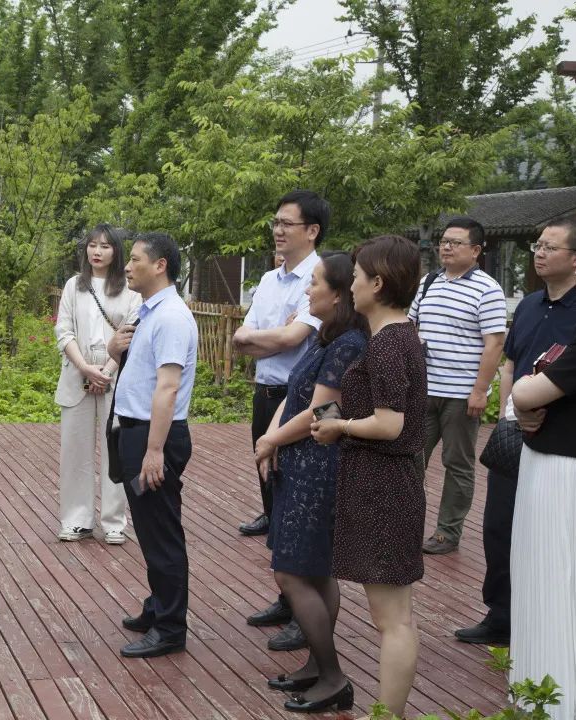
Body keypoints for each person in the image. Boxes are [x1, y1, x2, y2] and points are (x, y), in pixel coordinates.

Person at [455, 215, 576, 646]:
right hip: (517, 429)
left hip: (561, 439)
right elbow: (511, 363)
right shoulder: (529, 304)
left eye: (552, 247)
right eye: (538, 246)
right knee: (499, 524)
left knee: (549, 533)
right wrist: (511, 411)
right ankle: (501, 614)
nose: (541, 253)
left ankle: (542, 620)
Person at [312, 235, 427, 718]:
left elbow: (390, 422)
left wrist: (338, 425)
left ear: (377, 284)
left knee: (392, 619)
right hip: (392, 483)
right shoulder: (404, 334)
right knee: (394, 615)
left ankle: (389, 713)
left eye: (357, 276)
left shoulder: (387, 343)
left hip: (384, 487)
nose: (351, 285)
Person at [254, 252, 367, 711]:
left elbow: (326, 410)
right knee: (315, 569)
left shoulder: (349, 345)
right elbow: (295, 392)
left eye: (315, 283)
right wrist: (274, 437)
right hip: (300, 460)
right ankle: (318, 667)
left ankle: (334, 675)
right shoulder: (327, 338)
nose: (306, 290)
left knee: (293, 570)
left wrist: (270, 440)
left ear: (338, 294)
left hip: (319, 469)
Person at [232, 190, 328, 652]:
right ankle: (286, 595)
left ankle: (305, 608)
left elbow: (294, 338)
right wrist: (270, 339)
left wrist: (266, 338)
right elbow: (241, 338)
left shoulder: (323, 278)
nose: (277, 229)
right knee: (273, 498)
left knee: (300, 506)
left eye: (287, 223)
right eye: (275, 221)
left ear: (311, 231)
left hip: (301, 400)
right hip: (264, 393)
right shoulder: (269, 279)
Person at [508, 227, 576, 720]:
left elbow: (528, 392)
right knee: (544, 574)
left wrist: (523, 397)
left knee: (561, 580)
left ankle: (562, 697)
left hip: (566, 469)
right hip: (551, 461)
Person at [107, 232, 198, 659]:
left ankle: (170, 627)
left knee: (162, 534)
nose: (127, 266)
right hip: (136, 431)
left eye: (137, 259)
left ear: (160, 265)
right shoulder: (146, 312)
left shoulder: (172, 317)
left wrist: (155, 449)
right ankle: (158, 604)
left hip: (154, 434)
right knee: (149, 529)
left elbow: (167, 386)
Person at [409, 217, 506, 555]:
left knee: (457, 464)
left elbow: (494, 343)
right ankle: (404, 524)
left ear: (476, 250)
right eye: (444, 241)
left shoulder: (488, 289)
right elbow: (411, 325)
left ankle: (447, 533)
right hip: (424, 390)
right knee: (410, 458)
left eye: (456, 242)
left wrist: (480, 391)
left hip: (461, 395)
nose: (446, 247)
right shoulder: (428, 282)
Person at [54, 224, 141, 544]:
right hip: (77, 373)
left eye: (105, 246)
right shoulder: (74, 286)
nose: (97, 251)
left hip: (116, 377)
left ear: (116, 251)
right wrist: (85, 369)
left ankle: (115, 521)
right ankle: (77, 519)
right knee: (74, 451)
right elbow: (64, 332)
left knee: (115, 450)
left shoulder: (131, 291)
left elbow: (131, 334)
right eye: (92, 245)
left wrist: (104, 371)